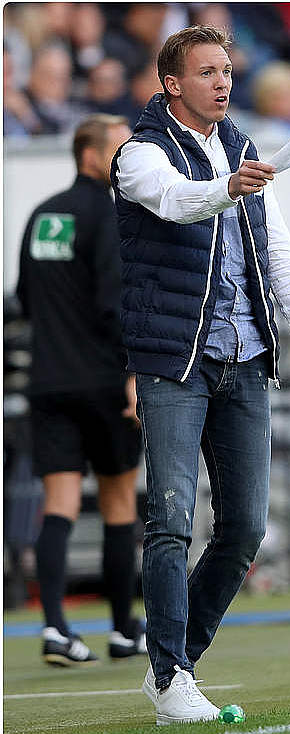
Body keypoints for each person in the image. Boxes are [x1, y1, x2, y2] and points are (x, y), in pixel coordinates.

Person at [111, 25, 290, 724]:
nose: (224, 82)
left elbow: (278, 250)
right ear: (172, 84)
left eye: (228, 70)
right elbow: (178, 202)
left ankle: (177, 661)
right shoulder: (138, 155)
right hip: (176, 360)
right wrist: (227, 188)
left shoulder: (241, 146)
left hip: (244, 356)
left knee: (244, 529)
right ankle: (170, 671)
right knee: (171, 519)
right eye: (208, 71)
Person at [16, 114, 144, 667]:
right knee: (118, 502)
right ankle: (121, 630)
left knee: (58, 506)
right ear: (90, 156)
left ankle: (55, 629)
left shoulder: (43, 214)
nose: (128, 155)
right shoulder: (113, 214)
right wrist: (135, 369)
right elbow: (114, 304)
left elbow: (24, 296)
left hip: (47, 382)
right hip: (104, 383)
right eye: (120, 146)